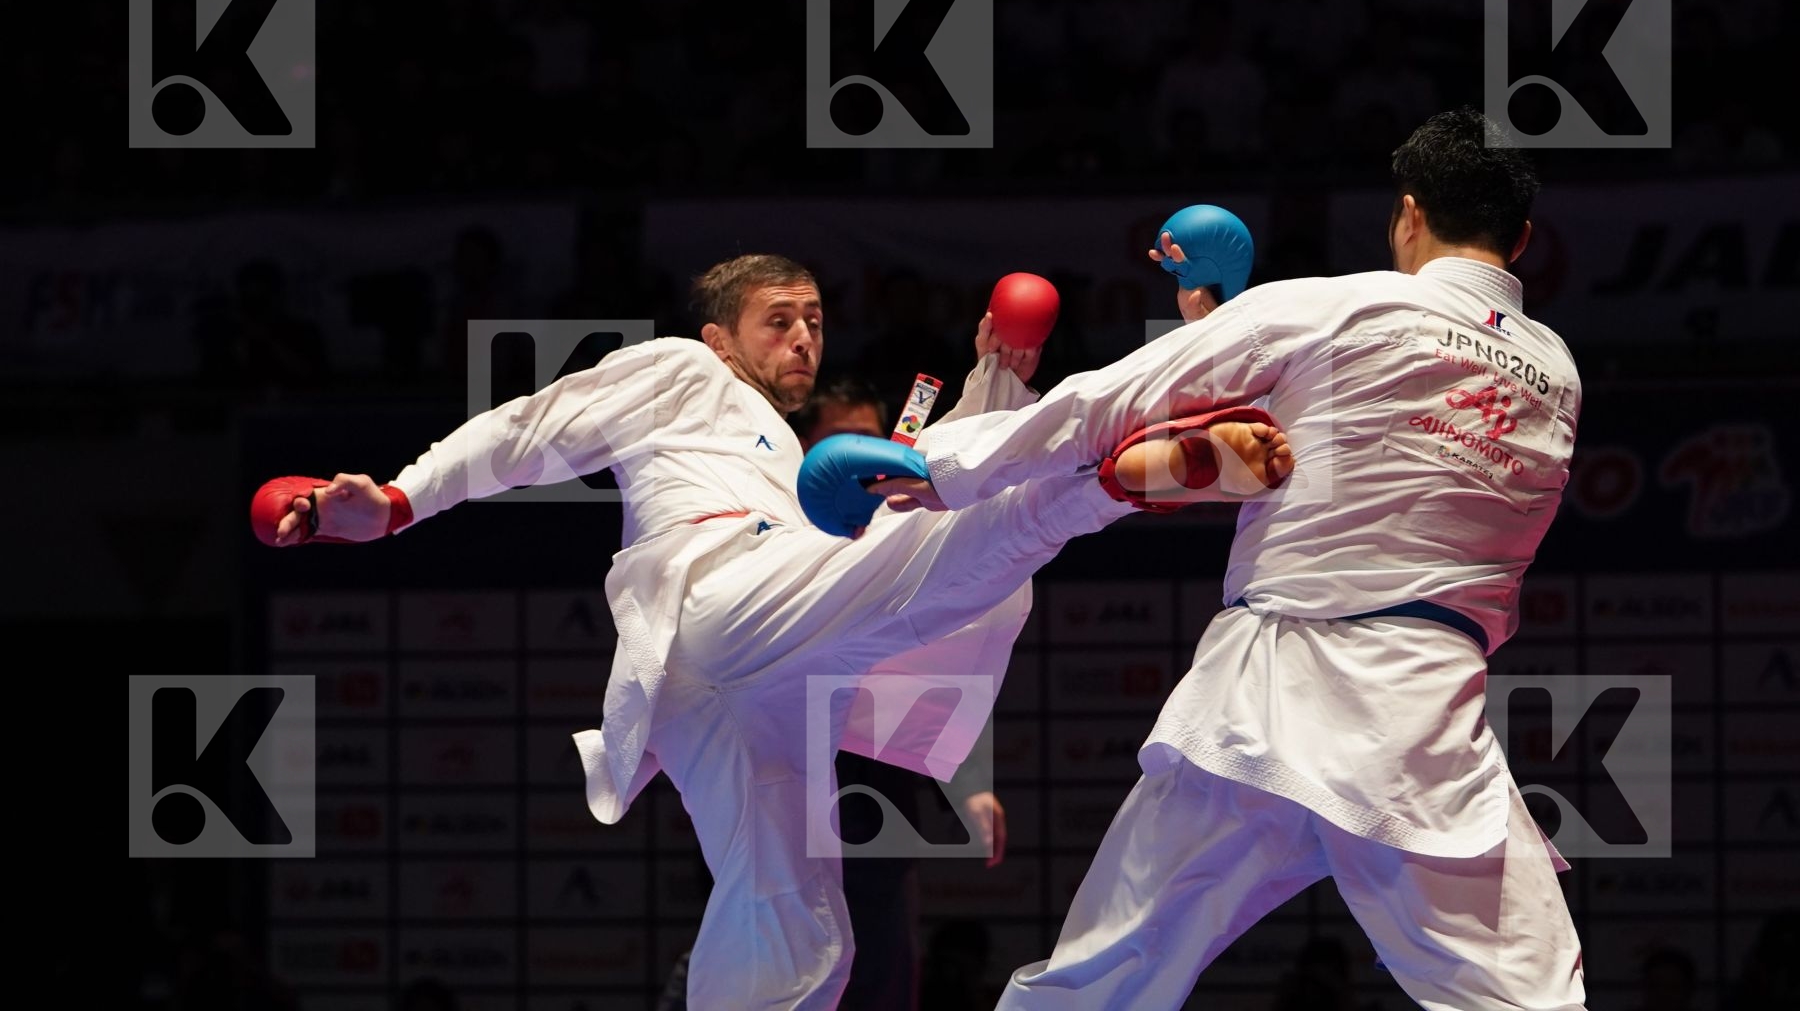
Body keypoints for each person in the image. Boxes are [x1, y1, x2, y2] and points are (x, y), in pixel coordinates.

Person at [260, 254, 1291, 1010]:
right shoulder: (679, 372)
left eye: (813, 320)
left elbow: (911, 498)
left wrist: (992, 378)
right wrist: (398, 500)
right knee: (954, 548)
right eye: (776, 319)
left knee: (796, 935)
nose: (803, 336)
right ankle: (1118, 478)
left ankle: (1063, 436)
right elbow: (525, 431)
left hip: (742, 688)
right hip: (720, 590)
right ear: (718, 336)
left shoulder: (785, 460)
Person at [883, 108, 1588, 1010]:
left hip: (1268, 704)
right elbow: (1393, 454)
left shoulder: (1342, 304)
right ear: (1522, 237)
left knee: (1102, 982)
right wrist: (1224, 332)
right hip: (1426, 721)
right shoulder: (1557, 371)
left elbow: (1108, 403)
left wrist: (941, 464)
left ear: (1409, 215)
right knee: (1533, 999)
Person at [794, 375, 1015, 1011]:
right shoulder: (769, 526)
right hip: (774, 774)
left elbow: (934, 661)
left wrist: (968, 782)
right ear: (804, 449)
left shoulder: (908, 530)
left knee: (880, 967)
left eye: (869, 440)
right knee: (769, 956)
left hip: (873, 797)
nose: (856, 458)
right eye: (840, 443)